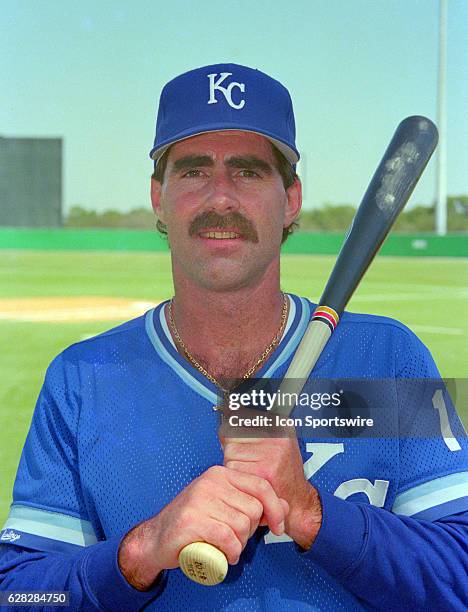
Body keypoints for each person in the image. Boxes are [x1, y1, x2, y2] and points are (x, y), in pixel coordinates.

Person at [1, 63, 467, 611]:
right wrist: (140, 552)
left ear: (290, 199)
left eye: (247, 172)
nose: (221, 198)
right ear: (158, 196)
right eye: (195, 171)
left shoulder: (388, 360)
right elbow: (22, 594)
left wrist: (312, 514)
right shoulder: (83, 380)